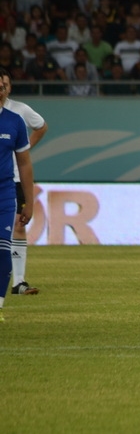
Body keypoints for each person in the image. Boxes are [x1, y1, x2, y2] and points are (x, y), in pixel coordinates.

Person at [2, 73, 47, 296]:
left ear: (9, 88)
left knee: (19, 225)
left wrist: (24, 148)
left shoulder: (19, 111)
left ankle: (18, 282)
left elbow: (41, 126)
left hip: (15, 178)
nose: (2, 88)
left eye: (5, 85)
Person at [0, 68, 36, 323]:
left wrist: (30, 202)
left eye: (3, 84)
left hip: (4, 191)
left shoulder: (15, 121)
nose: (0, 88)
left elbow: (24, 164)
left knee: (3, 250)